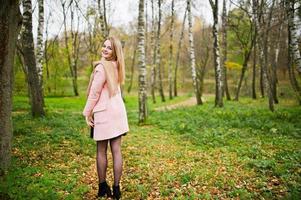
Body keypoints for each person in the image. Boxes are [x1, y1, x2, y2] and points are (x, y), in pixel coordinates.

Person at [82, 36, 129, 199]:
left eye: (109, 48)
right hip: (118, 112)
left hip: (104, 113)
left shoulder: (102, 68)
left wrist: (86, 112)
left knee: (101, 150)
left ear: (114, 52)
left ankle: (103, 188)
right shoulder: (117, 66)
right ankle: (116, 189)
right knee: (116, 151)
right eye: (104, 46)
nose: (104, 49)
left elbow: (94, 93)